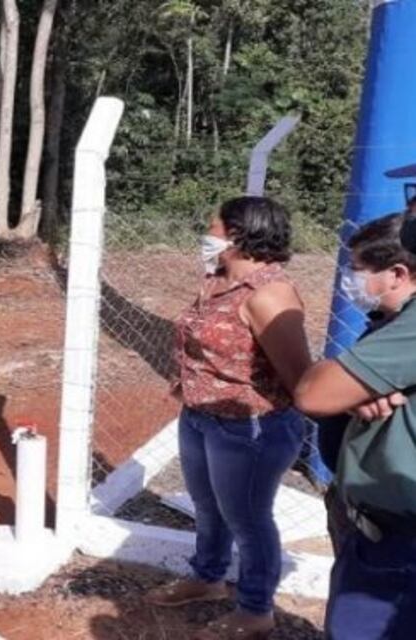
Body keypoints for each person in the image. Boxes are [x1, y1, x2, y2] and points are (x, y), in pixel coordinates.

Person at [144, 196, 312, 640]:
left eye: (212, 227)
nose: (206, 235)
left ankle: (256, 609)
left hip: (250, 427)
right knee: (207, 507)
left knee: (249, 520)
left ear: (238, 234)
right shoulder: (216, 279)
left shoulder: (269, 294)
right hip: (199, 416)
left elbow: (299, 377)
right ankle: (207, 577)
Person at [295, 211, 416, 640]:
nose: (350, 278)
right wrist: (354, 394)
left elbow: (311, 393)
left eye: (358, 268)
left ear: (397, 273)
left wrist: (344, 388)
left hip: (396, 537)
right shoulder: (390, 325)